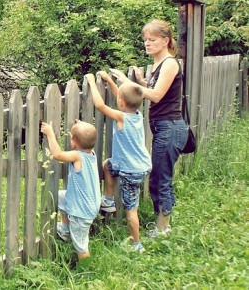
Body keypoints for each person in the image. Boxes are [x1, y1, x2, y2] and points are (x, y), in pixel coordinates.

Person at [110, 19, 187, 238]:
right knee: (159, 175)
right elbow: (154, 89)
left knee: (161, 177)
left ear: (165, 41)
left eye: (152, 40)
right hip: (163, 127)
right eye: (145, 40)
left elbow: (156, 96)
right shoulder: (157, 65)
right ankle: (162, 221)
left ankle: (163, 227)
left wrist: (128, 83)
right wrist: (143, 81)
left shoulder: (170, 63)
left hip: (170, 127)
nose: (147, 43)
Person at [85, 71, 152, 253]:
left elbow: (100, 105)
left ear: (121, 103)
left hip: (131, 170)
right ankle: (108, 200)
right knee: (108, 165)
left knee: (132, 210)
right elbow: (122, 97)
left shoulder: (122, 117)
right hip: (141, 165)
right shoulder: (136, 114)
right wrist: (109, 81)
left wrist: (92, 81)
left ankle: (136, 244)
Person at [40, 120, 100, 260]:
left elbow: (58, 154)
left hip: (81, 211)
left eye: (72, 137)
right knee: (61, 196)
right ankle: (66, 229)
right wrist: (81, 127)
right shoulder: (91, 153)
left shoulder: (77, 156)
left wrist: (50, 133)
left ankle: (86, 271)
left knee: (81, 245)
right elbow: (86, 136)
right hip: (88, 202)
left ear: (75, 143)